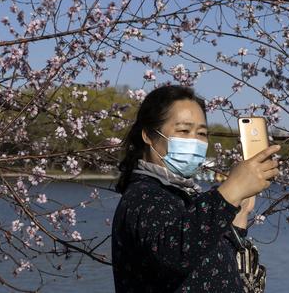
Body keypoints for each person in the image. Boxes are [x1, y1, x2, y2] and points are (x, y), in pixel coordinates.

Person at [111, 85, 280, 292]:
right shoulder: (144, 196)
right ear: (148, 135)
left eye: (201, 133)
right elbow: (173, 255)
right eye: (183, 130)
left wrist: (236, 221)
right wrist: (230, 191)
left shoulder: (181, 196)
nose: (194, 140)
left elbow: (207, 264)